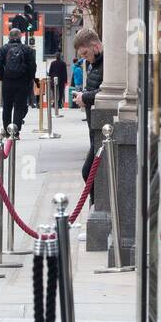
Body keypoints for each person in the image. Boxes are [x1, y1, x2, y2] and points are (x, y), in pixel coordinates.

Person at [73, 29, 104, 207]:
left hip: (100, 128)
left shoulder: (107, 63)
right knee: (91, 173)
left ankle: (97, 212)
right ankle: (95, 210)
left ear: (95, 46)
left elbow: (106, 92)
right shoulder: (95, 63)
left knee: (89, 172)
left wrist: (85, 97)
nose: (85, 58)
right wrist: (84, 95)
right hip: (94, 128)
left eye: (85, 53)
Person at [0, 27, 37, 136]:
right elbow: (32, 66)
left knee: (7, 106)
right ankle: (15, 132)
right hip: (22, 82)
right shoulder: (27, 49)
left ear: (9, 37)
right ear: (20, 36)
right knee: (19, 106)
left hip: (7, 81)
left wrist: (1, 76)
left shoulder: (3, 49)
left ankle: (7, 131)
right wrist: (29, 78)